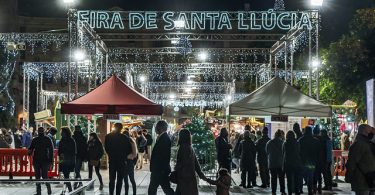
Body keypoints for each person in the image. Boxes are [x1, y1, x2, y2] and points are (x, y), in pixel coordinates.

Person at [174, 129, 207, 195]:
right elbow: (196, 163)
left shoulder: (183, 147)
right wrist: (200, 174)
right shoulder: (189, 147)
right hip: (189, 178)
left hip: (184, 179)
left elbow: (183, 163)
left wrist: (176, 168)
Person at [346, 124, 375, 195]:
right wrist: (348, 177)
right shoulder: (360, 144)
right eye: (370, 131)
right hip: (362, 181)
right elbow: (352, 163)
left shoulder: (368, 143)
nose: (372, 133)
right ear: (364, 132)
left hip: (369, 180)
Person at [148, 120, 174, 195]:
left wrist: (161, 170)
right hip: (159, 170)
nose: (155, 128)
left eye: (156, 127)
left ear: (160, 128)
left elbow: (163, 156)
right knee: (166, 189)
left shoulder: (165, 139)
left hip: (160, 171)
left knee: (154, 189)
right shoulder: (162, 138)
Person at [105, 123, 132, 195]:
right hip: (121, 161)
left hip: (112, 161)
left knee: (112, 180)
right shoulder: (125, 137)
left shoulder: (108, 136)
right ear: (121, 129)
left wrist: (111, 155)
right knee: (120, 180)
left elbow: (106, 148)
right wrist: (123, 155)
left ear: (114, 127)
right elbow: (129, 150)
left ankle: (111, 193)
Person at [28, 127, 53, 195]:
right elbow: (51, 151)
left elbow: (30, 149)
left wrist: (29, 152)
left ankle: (39, 192)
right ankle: (49, 190)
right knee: (45, 176)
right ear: (44, 131)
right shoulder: (48, 139)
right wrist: (51, 161)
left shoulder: (35, 139)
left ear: (37, 132)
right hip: (45, 159)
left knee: (37, 176)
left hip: (36, 160)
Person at [298, 126, 320, 195]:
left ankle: (300, 189)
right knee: (310, 176)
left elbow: (298, 151)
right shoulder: (315, 140)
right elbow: (318, 152)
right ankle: (310, 191)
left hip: (303, 162)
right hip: (311, 162)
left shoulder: (300, 140)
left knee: (301, 175)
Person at [266, 129, 286, 195]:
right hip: (280, 163)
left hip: (272, 163)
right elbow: (284, 153)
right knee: (281, 178)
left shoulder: (269, 142)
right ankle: (282, 191)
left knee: (273, 178)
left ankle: (273, 192)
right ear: (281, 135)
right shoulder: (283, 143)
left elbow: (267, 152)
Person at [283, 131, 302, 195]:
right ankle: (297, 191)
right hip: (296, 163)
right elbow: (299, 152)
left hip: (288, 164)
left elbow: (284, 154)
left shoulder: (285, 143)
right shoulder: (297, 143)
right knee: (296, 179)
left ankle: (290, 192)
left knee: (289, 180)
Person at [58, 127, 76, 193]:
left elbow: (73, 152)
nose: (61, 133)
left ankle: (70, 190)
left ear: (65, 133)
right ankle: (65, 190)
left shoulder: (69, 140)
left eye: (62, 132)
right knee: (66, 176)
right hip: (65, 161)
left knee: (66, 176)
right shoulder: (68, 140)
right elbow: (59, 152)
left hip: (68, 161)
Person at [124, 130, 138, 195]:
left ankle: (134, 193)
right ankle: (126, 193)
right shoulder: (123, 142)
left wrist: (127, 157)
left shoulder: (131, 141)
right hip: (124, 163)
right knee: (126, 180)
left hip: (129, 163)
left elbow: (135, 154)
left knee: (131, 179)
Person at [313, 125, 324, 194]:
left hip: (313, 159)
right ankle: (319, 187)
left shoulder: (313, 138)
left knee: (314, 174)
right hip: (320, 159)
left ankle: (314, 187)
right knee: (319, 174)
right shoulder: (322, 139)